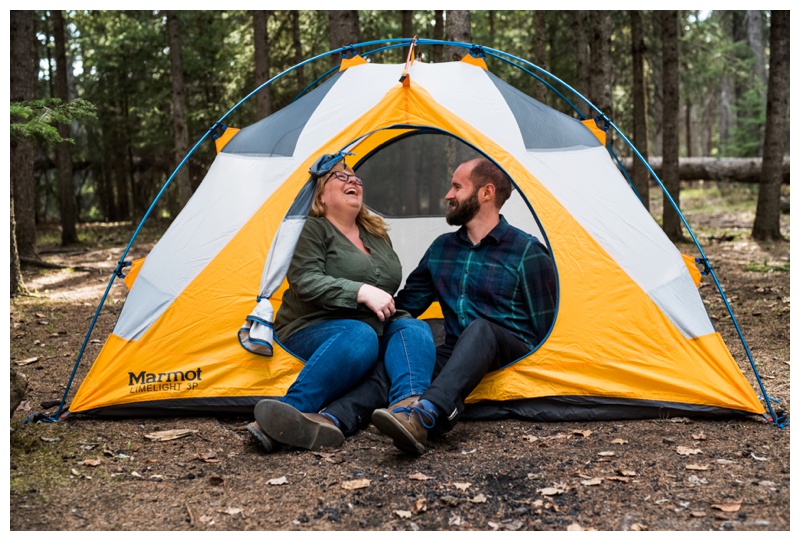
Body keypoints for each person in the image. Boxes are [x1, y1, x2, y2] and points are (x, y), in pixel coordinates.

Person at [320, 157, 557, 455]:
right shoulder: (443, 248)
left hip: (513, 349)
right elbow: (408, 304)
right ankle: (331, 419)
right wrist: (363, 328)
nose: (448, 195)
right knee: (403, 360)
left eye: (457, 187)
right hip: (459, 350)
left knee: (481, 329)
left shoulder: (527, 251)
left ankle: (426, 414)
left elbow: (546, 329)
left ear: (486, 193)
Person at [249, 153, 436, 453]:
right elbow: (306, 281)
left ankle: (409, 415)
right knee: (359, 336)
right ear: (321, 194)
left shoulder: (376, 234)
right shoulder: (312, 229)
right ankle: (286, 413)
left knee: (414, 329)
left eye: (356, 178)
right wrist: (360, 291)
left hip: (372, 325)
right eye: (341, 176)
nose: (353, 180)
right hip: (312, 326)